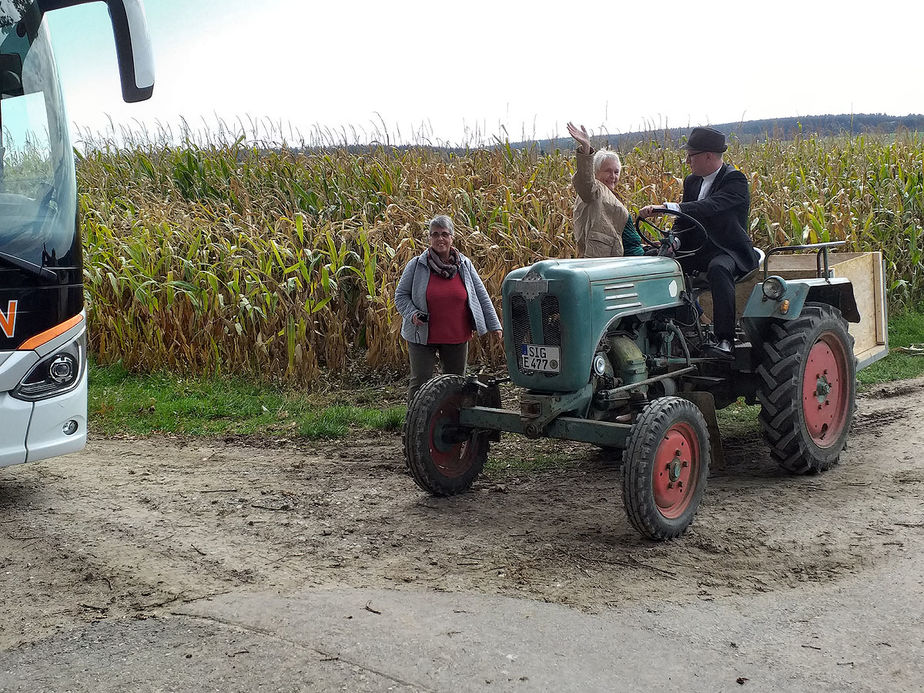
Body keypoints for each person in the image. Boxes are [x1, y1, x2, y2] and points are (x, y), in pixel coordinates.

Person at [638, 126, 758, 358]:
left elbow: (709, 207)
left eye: (691, 155)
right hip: (698, 249)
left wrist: (667, 208)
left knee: (719, 269)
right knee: (654, 261)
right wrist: (674, 242)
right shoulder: (692, 182)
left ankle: (725, 339)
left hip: (728, 249)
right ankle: (675, 330)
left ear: (708, 156)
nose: (687, 160)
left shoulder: (734, 179)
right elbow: (685, 223)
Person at [395, 215, 503, 402]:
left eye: (444, 234)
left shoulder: (464, 265)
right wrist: (412, 313)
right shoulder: (416, 265)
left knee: (456, 382)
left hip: (456, 334)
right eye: (435, 234)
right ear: (429, 238)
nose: (440, 239)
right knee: (420, 381)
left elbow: (481, 294)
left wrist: (494, 325)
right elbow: (401, 295)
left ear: (452, 237)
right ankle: (414, 423)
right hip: (422, 334)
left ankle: (453, 423)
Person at [567, 122, 644, 258]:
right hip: (604, 266)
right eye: (608, 171)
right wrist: (586, 149)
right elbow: (585, 181)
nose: (613, 176)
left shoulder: (610, 196)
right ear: (595, 173)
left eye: (616, 172)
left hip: (631, 260)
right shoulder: (594, 191)